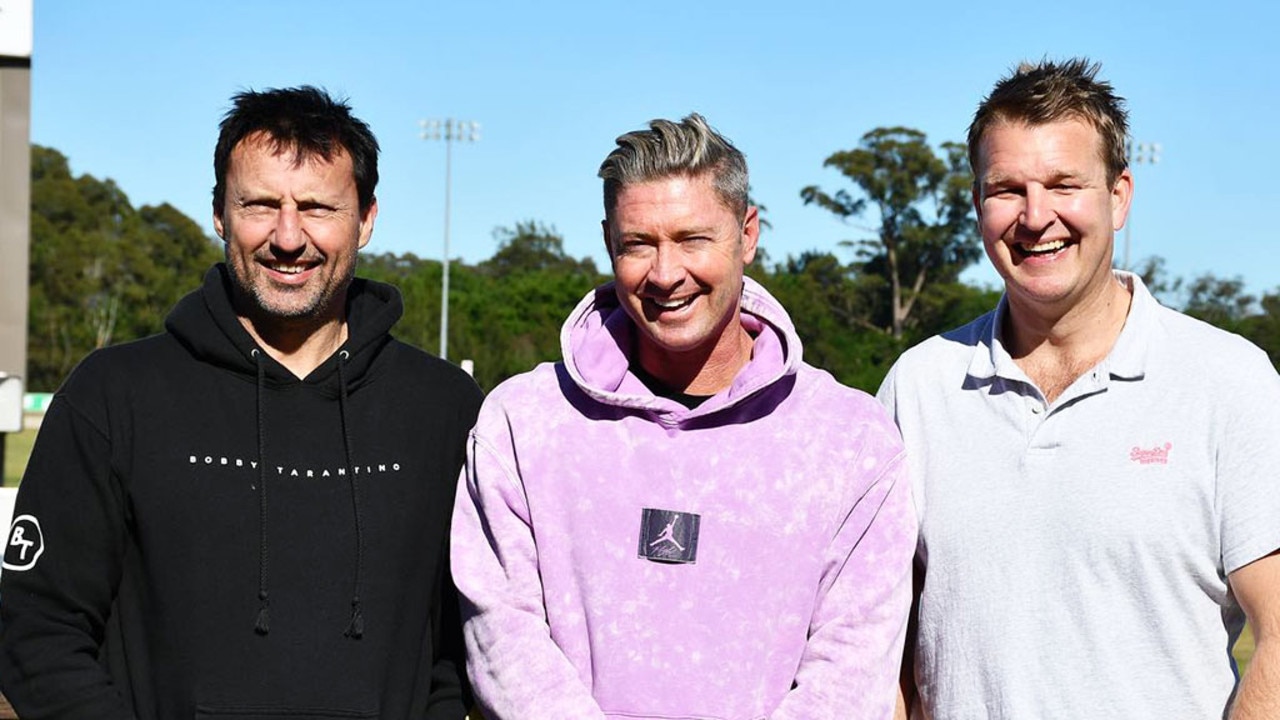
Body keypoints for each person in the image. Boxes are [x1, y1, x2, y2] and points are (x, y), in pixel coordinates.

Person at [0, 86, 481, 719]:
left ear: (365, 218)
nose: (288, 237)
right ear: (220, 213)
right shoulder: (113, 394)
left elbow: (465, 643)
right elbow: (37, 628)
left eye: (317, 207)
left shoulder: (446, 410)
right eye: (259, 204)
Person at [451, 113, 916, 719]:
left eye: (693, 239)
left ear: (747, 234)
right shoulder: (521, 424)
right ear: (607, 242)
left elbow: (852, 671)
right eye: (638, 244)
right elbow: (501, 638)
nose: (665, 274)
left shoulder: (853, 442)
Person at [878, 58, 1280, 719]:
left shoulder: (1227, 382)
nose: (1036, 217)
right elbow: (882, 645)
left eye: (1064, 185)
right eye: (1007, 189)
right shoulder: (916, 389)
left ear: (1119, 195)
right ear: (977, 202)